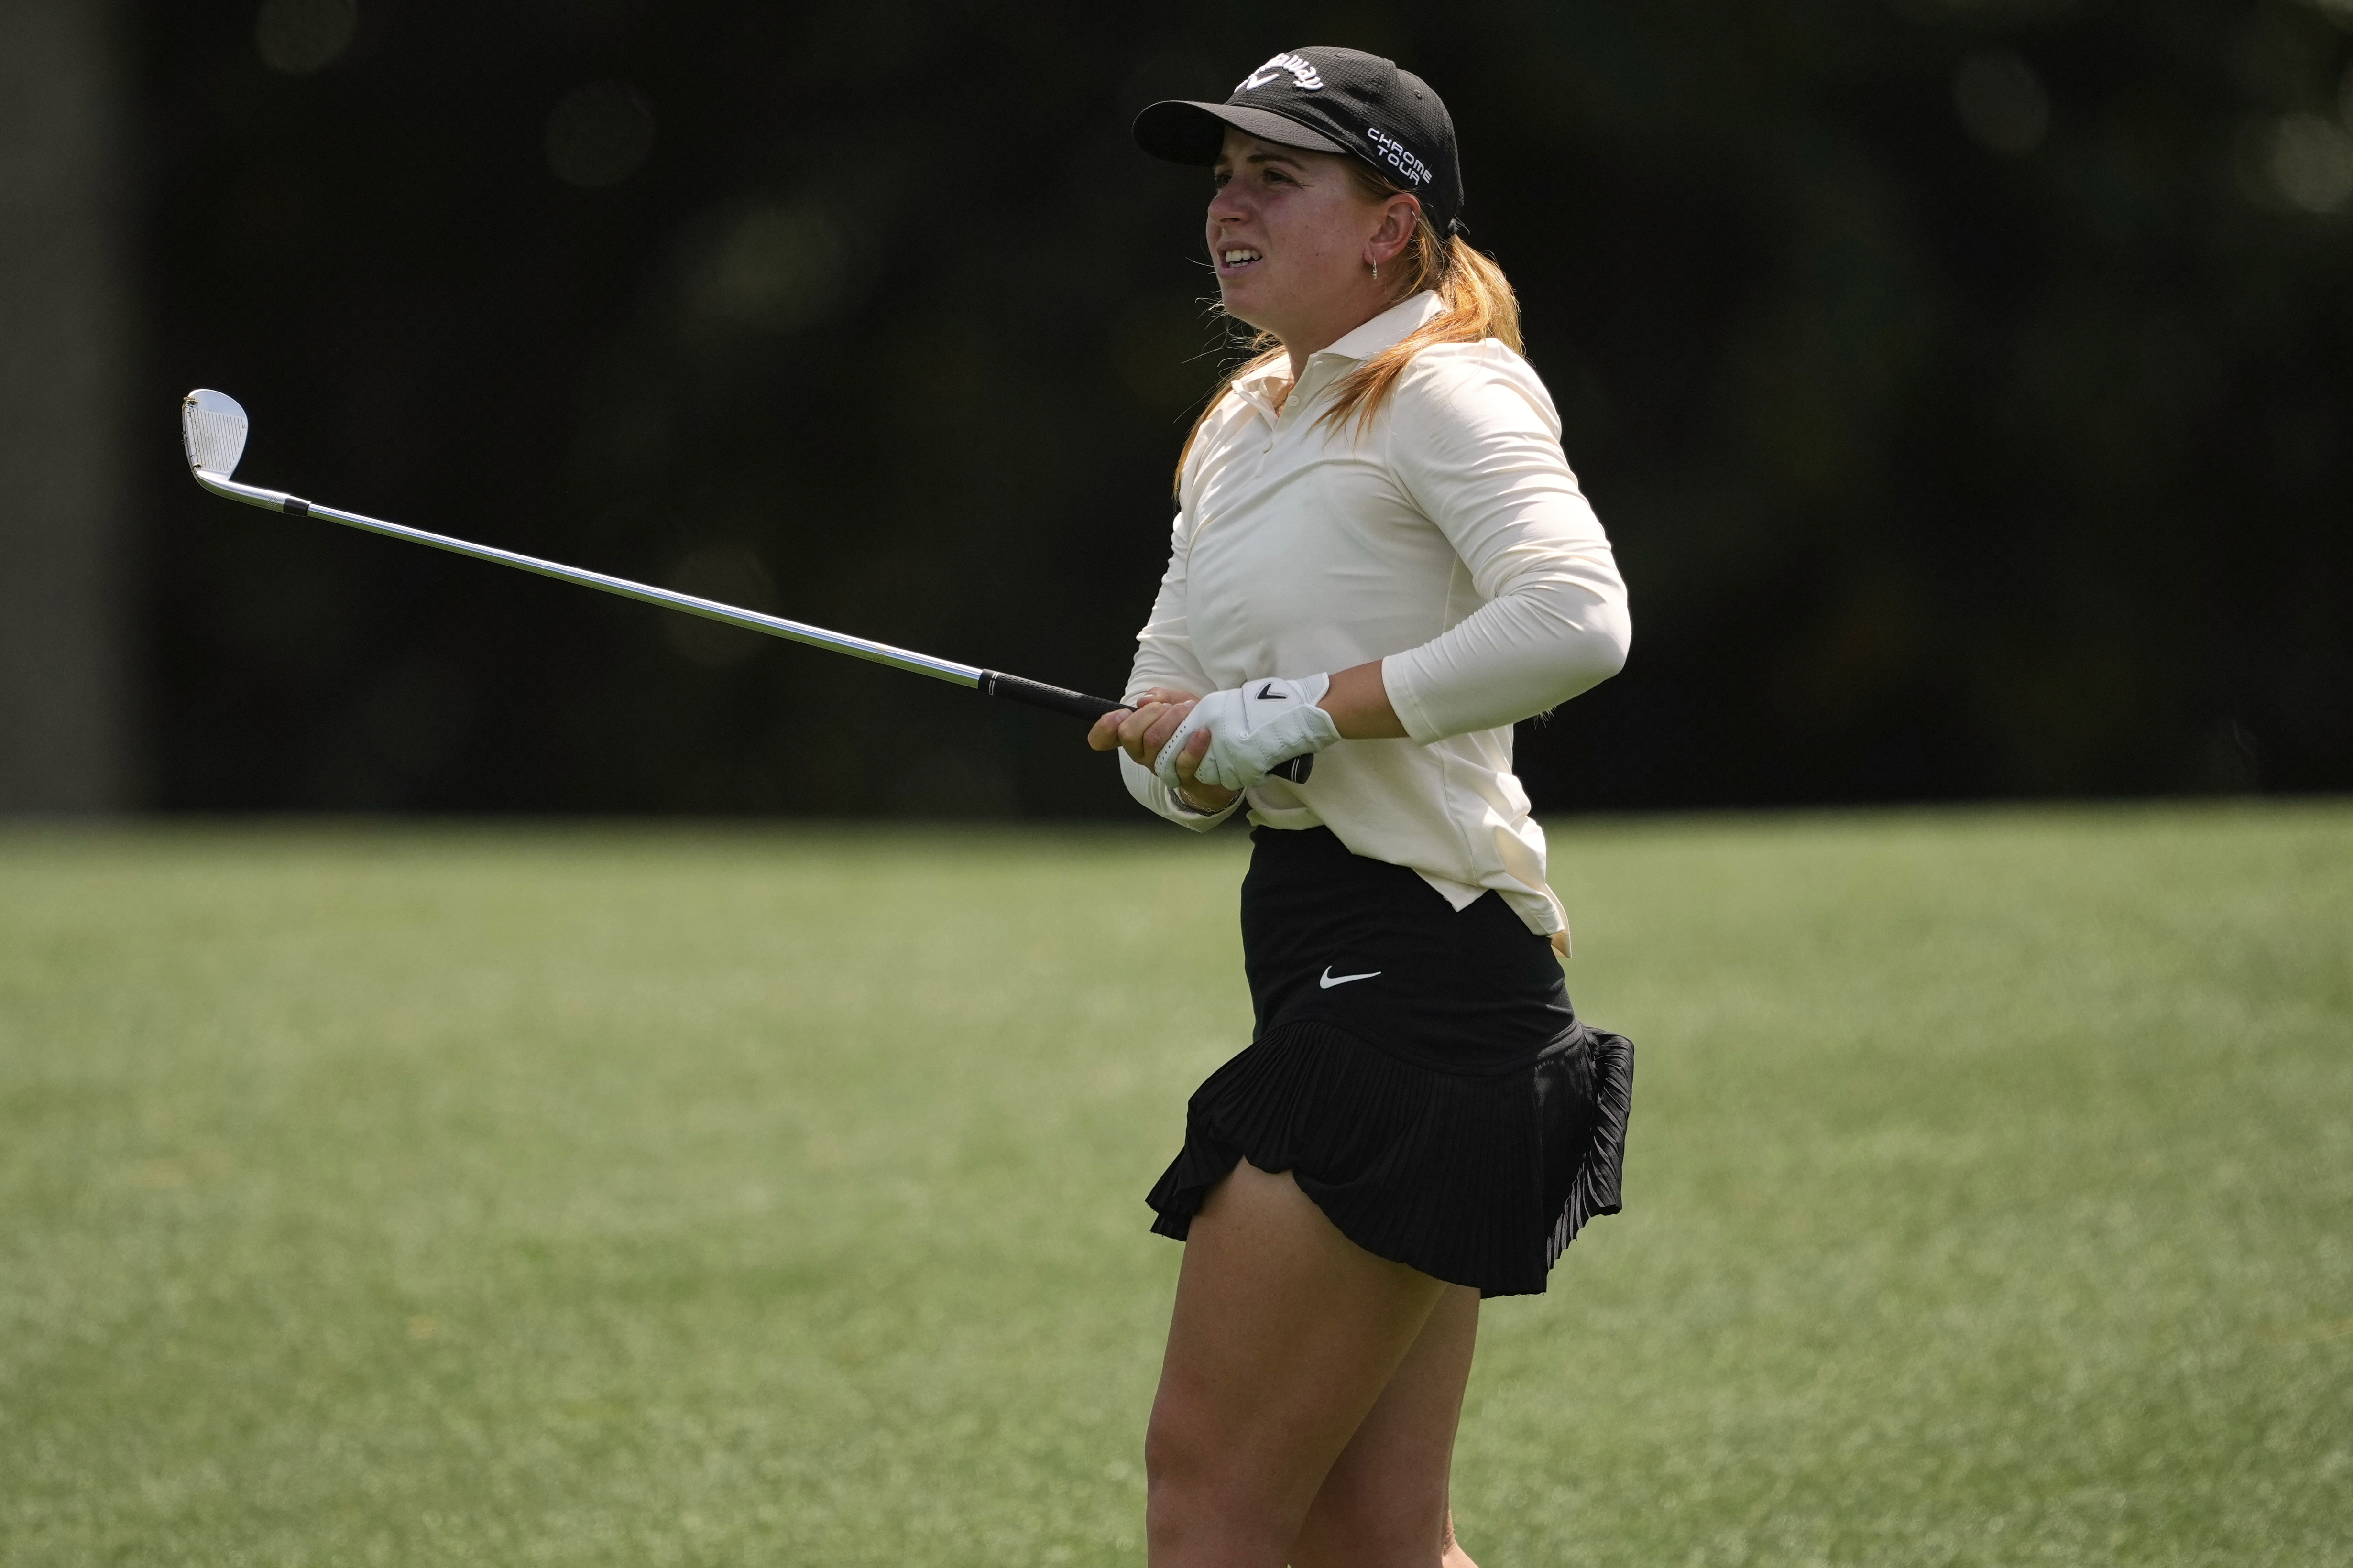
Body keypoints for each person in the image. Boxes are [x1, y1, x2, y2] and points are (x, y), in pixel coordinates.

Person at [1089, 46, 1638, 1568]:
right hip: (1324, 944)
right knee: (1375, 1540)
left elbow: (1576, 620)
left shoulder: (1446, 390)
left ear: (1391, 225)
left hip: (1423, 973)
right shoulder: (1243, 421)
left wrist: (1300, 710)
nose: (1229, 208)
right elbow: (1163, 697)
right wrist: (1183, 754)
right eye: (1223, 179)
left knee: (1210, 1502)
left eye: (1277, 178)